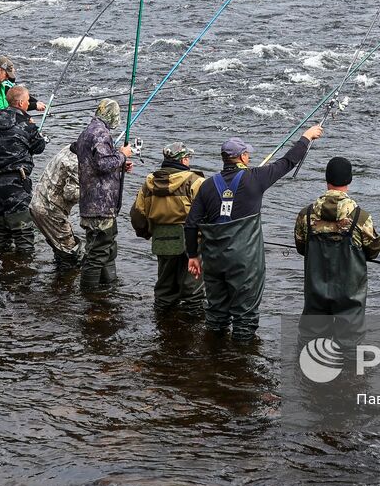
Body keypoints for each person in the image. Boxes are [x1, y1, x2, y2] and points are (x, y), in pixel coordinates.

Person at [184, 125, 323, 342]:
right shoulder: (256, 177)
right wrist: (306, 137)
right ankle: (240, 367)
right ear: (243, 157)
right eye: (247, 154)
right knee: (245, 316)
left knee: (216, 312)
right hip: (245, 262)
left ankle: (213, 357)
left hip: (213, 260)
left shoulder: (208, 185)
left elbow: (191, 224)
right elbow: (288, 162)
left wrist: (193, 255)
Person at [294, 157, 380, 342]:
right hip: (350, 296)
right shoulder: (361, 218)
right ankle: (349, 371)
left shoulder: (306, 215)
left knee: (311, 344)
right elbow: (373, 251)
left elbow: (302, 248)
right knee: (351, 346)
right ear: (349, 181)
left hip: (315, 292)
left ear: (327, 180)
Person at [129, 142, 206, 314]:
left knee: (164, 287)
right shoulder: (196, 182)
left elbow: (137, 214)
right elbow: (209, 213)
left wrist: (147, 232)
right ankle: (192, 331)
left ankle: (163, 326)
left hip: (162, 238)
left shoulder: (149, 183)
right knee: (192, 287)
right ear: (184, 160)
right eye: (188, 157)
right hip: (193, 240)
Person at [70, 99, 134, 293]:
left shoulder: (88, 131)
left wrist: (119, 163)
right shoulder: (100, 133)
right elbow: (102, 164)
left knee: (106, 247)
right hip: (100, 204)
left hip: (94, 203)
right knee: (97, 251)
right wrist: (122, 155)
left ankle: (108, 286)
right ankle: (90, 294)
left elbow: (90, 158)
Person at [0, 85, 46, 256]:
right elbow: (39, 147)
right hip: (16, 183)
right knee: (23, 233)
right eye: (27, 101)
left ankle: (5, 270)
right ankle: (24, 275)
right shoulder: (26, 125)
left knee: (2, 233)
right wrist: (35, 129)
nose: (28, 104)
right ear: (20, 103)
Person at [0, 57, 45, 149]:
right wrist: (11, 117)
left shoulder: (0, 85)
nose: (7, 79)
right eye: (6, 75)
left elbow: (8, 106)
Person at [31, 145, 84, 269]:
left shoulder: (70, 149)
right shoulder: (78, 163)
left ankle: (58, 279)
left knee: (61, 249)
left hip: (38, 204)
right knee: (71, 254)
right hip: (50, 211)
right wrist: (92, 187)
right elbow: (70, 194)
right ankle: (64, 283)